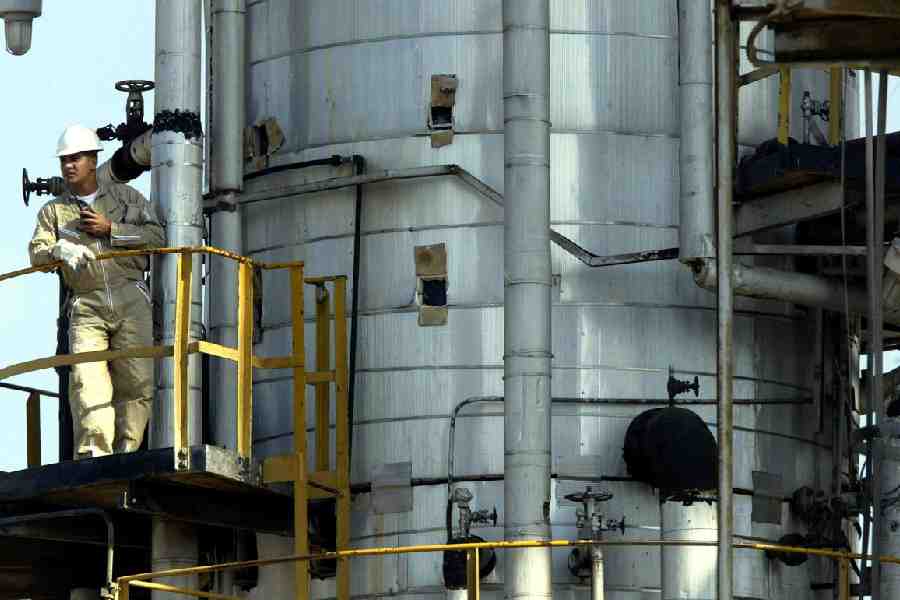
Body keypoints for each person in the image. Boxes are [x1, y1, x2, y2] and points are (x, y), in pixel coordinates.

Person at [29, 124, 165, 459]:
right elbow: (37, 254)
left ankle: (126, 454)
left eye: (76, 158)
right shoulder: (54, 212)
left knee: (137, 383)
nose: (69, 166)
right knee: (87, 384)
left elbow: (157, 239)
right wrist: (57, 250)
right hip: (86, 304)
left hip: (131, 296)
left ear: (93, 160)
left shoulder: (126, 199)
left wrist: (111, 229)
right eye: (64, 160)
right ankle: (94, 456)